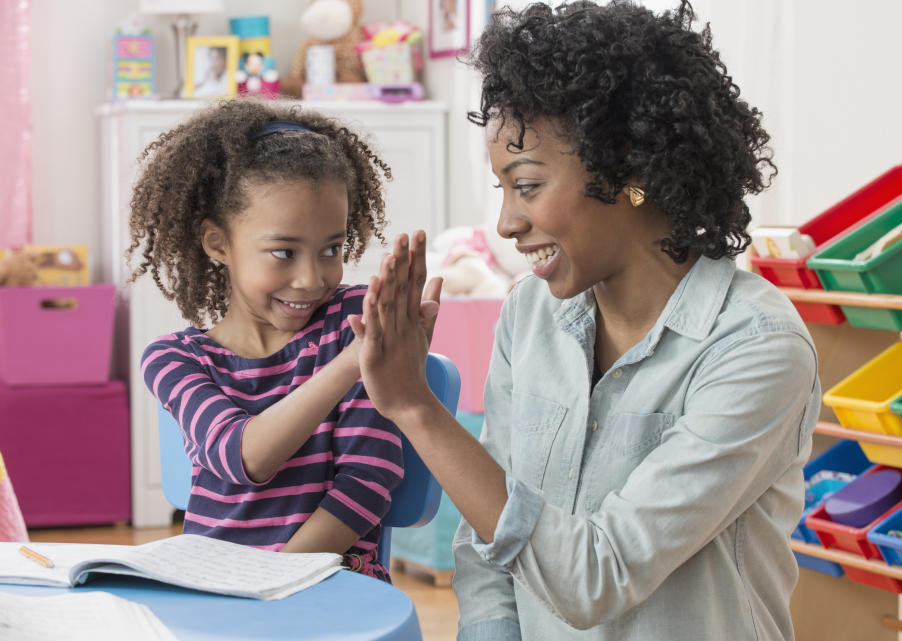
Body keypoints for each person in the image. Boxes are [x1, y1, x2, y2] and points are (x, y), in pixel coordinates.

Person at [347, 1, 820, 638]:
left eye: (529, 184)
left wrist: (416, 408)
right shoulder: (531, 312)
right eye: (503, 189)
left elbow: (598, 577)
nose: (507, 223)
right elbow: (487, 544)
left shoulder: (756, 348)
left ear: (630, 174)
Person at [128, 100, 435, 582]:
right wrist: (348, 367)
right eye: (283, 252)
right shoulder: (173, 359)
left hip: (332, 585)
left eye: (331, 249)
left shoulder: (352, 322)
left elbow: (368, 480)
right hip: (219, 589)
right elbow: (240, 456)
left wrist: (276, 583)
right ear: (217, 243)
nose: (312, 279)